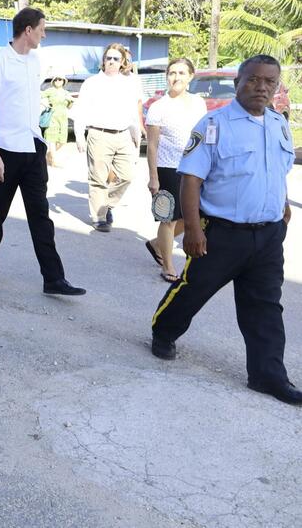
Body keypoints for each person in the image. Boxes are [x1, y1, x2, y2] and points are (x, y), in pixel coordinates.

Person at [151, 55, 300, 406]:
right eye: (253, 80)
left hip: (267, 235)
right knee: (194, 290)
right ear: (238, 83)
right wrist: (191, 229)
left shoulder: (279, 124)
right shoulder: (214, 124)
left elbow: (276, 171)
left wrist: (284, 204)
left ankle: (268, 375)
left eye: (269, 82)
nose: (261, 87)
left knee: (265, 305)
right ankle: (163, 331)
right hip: (221, 233)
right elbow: (191, 180)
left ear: (276, 87)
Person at [0, 7, 85, 296]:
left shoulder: (35, 60)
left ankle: (53, 278)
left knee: (41, 215)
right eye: (41, 29)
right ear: (28, 30)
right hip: (5, 150)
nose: (44, 34)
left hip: (32, 146)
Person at [144, 58, 206, 282]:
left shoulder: (199, 103)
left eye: (181, 73)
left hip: (195, 168)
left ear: (190, 76)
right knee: (168, 218)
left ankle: (156, 244)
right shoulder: (159, 107)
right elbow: (152, 146)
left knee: (196, 214)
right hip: (168, 168)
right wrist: (153, 178)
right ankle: (168, 266)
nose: (176, 77)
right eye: (172, 73)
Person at [73, 43, 143, 232]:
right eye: (108, 58)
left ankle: (107, 204)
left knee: (127, 176)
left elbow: (133, 113)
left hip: (123, 134)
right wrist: (79, 134)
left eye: (115, 59)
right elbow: (81, 110)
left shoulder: (130, 83)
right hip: (99, 134)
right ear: (103, 61)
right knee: (98, 178)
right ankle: (99, 217)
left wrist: (136, 134)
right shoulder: (92, 83)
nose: (111, 62)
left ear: (122, 63)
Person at [41, 76, 72, 167]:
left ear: (63, 81)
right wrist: (44, 103)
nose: (58, 81)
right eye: (56, 79)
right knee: (52, 139)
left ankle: (49, 154)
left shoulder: (66, 93)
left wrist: (70, 101)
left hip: (63, 119)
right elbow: (38, 96)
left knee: (62, 141)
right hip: (52, 118)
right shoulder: (50, 91)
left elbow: (69, 107)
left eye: (60, 79)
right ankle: (54, 161)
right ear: (53, 81)